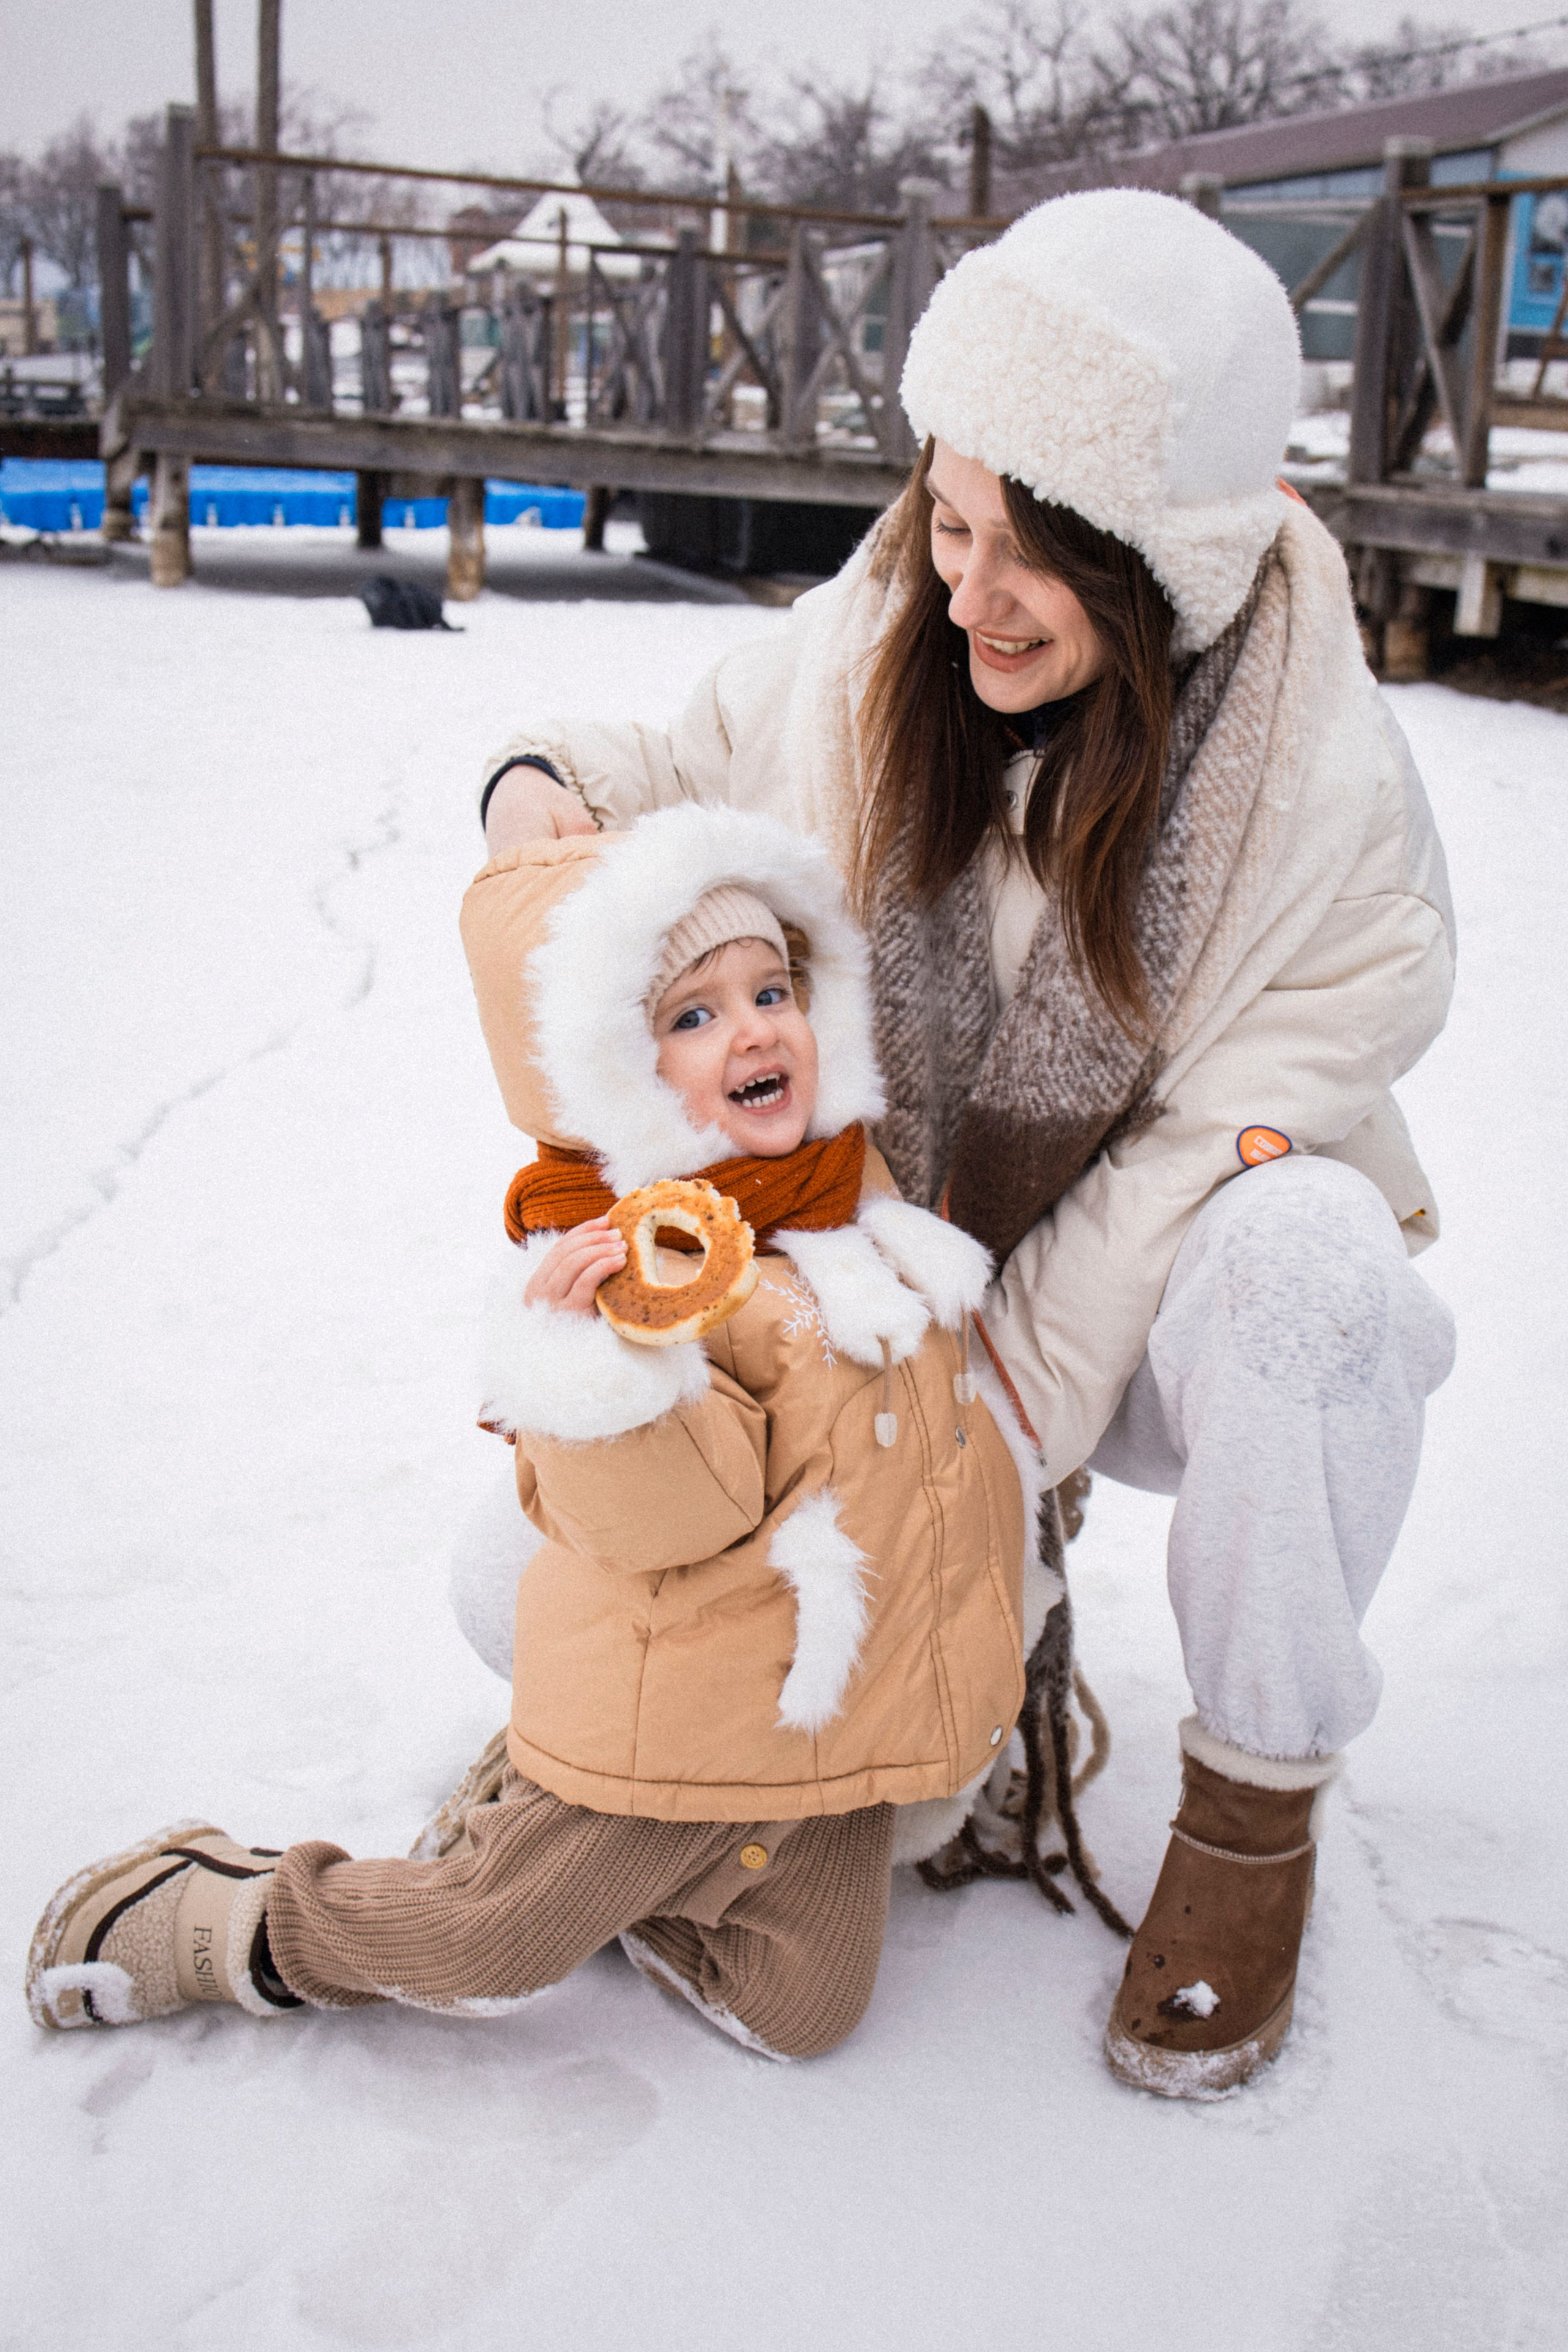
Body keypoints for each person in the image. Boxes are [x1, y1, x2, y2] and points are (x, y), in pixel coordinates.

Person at [468, 190, 1458, 2096]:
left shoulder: (1326, 804)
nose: (968, 592)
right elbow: (682, 763)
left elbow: (1179, 1179)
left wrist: (984, 1437)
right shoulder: (874, 640)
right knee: (493, 1593)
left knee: (1314, 1263)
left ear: (1160, 557)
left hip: (1142, 1322)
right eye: (951, 518)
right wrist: (546, 791)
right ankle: (872, 1738)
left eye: (1035, 555)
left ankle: (1253, 1799)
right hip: (881, 1290)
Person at [29, 805, 1043, 2061]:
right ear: (615, 1071)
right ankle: (225, 1917)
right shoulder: (644, 1263)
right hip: (672, 1705)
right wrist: (598, 1368)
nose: (754, 1029)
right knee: (490, 1947)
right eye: (691, 1014)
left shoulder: (844, 1190)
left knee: (800, 2013)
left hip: (827, 1729)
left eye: (771, 988)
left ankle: (646, 1890)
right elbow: (671, 1514)